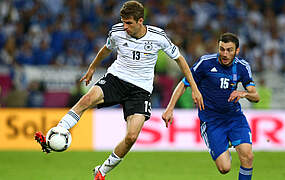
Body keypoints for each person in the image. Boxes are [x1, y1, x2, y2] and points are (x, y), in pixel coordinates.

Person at [34, 1, 203, 180]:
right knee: (87, 99)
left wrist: (194, 88)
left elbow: (181, 60)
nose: (125, 27)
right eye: (123, 22)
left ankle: (102, 171)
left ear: (140, 21)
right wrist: (92, 68)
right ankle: (59, 131)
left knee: (131, 137)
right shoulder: (117, 32)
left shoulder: (158, 37)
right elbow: (106, 49)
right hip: (117, 79)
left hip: (141, 90)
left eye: (128, 23)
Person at [162, 33, 260, 180]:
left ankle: (232, 140)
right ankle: (225, 143)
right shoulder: (206, 63)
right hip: (211, 121)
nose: (225, 54)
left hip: (234, 118)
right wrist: (170, 108)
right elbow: (183, 83)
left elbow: (256, 96)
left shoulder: (242, 67)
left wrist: (243, 93)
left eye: (229, 50)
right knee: (224, 168)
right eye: (222, 49)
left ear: (237, 51)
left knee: (248, 156)